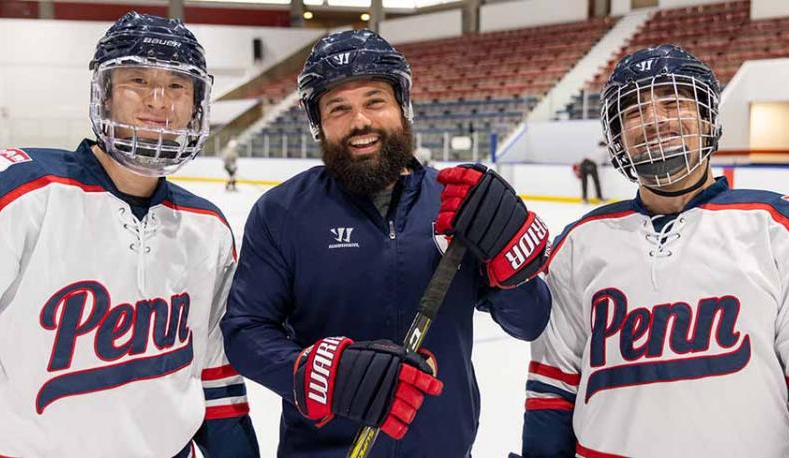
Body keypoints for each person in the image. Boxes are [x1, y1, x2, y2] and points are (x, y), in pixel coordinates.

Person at [0, 12, 258, 458]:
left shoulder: (209, 229)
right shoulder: (11, 195)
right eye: (137, 80)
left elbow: (213, 380)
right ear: (103, 96)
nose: (159, 101)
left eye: (177, 86)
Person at [521, 45, 789, 457]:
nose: (654, 121)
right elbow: (553, 388)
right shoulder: (576, 246)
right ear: (617, 138)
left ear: (708, 118)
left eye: (673, 103)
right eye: (634, 112)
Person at [223, 29, 552, 457]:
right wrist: (313, 374)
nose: (360, 120)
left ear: (402, 107)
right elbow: (245, 332)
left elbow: (528, 321)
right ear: (318, 124)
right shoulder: (281, 212)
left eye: (374, 101)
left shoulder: (456, 202)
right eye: (338, 108)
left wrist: (512, 263)